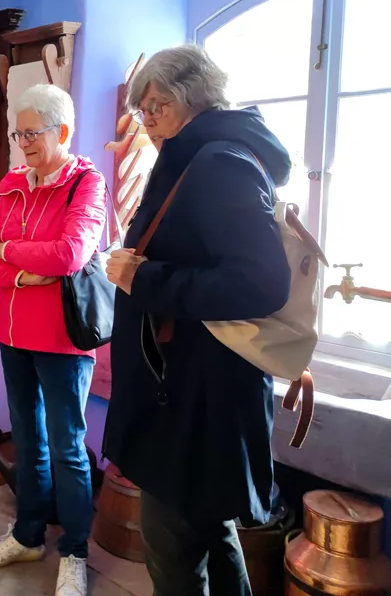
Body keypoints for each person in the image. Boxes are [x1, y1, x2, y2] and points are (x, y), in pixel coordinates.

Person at [103, 44, 292, 596]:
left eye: (151, 109)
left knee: (173, 555)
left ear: (177, 101)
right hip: (192, 391)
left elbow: (261, 283)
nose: (146, 123)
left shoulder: (220, 163)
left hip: (196, 402)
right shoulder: (205, 155)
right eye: (143, 111)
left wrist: (145, 279)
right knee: (211, 534)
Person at [0, 84, 106, 596]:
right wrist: (24, 271)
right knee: (26, 439)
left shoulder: (86, 185)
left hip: (62, 340)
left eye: (32, 132)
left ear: (63, 132)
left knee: (67, 445)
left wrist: (10, 252)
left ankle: (74, 550)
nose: (22, 142)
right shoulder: (11, 186)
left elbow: (70, 255)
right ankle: (28, 534)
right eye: (17, 132)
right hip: (11, 330)